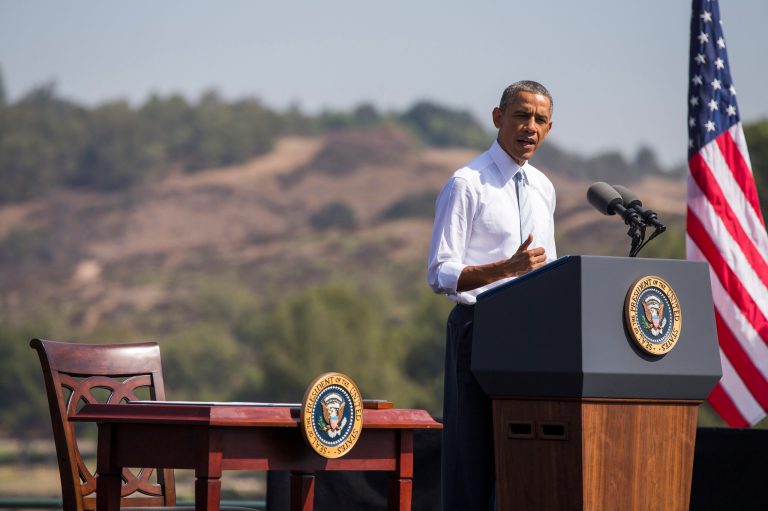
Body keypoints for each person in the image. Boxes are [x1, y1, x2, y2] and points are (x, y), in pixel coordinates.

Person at [426, 80, 557, 510]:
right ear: (498, 118)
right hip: (479, 332)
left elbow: (548, 269)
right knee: (472, 461)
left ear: (549, 129)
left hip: (532, 339)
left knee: (523, 460)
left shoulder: (543, 188)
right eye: (521, 116)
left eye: (540, 120)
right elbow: (440, 272)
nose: (529, 127)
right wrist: (506, 269)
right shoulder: (467, 183)